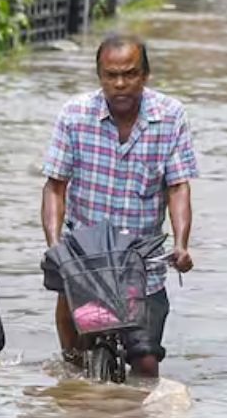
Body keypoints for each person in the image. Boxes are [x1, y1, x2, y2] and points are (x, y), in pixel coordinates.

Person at [41, 34, 199, 380]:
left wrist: (181, 245)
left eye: (129, 74)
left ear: (145, 75)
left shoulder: (170, 117)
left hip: (142, 261)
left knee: (145, 365)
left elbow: (177, 187)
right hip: (86, 256)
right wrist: (55, 246)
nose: (120, 84)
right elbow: (55, 186)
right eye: (110, 75)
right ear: (99, 76)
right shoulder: (74, 115)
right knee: (75, 364)